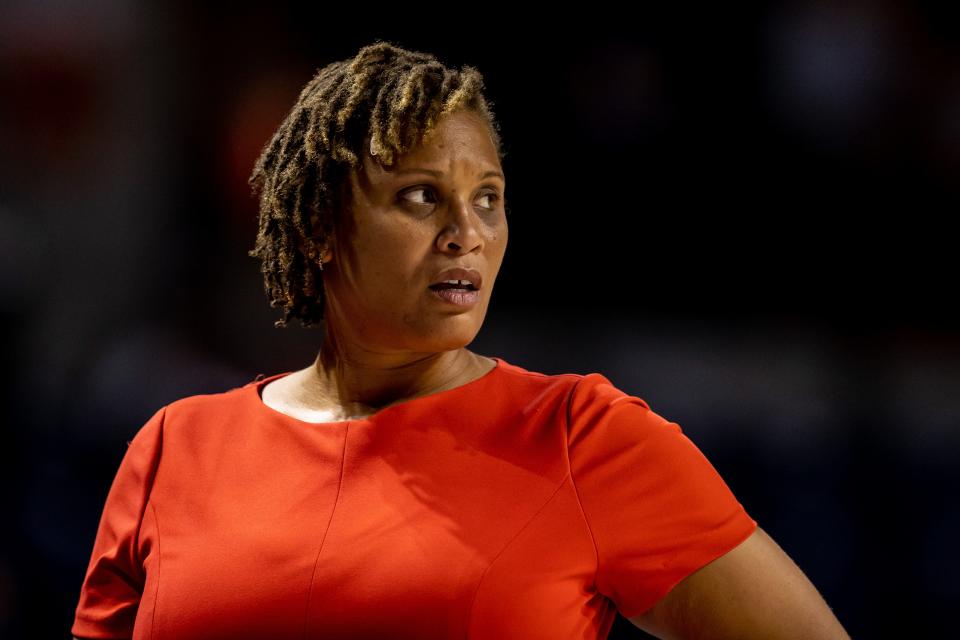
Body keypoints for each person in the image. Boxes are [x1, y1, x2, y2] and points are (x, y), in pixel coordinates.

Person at [72, 40, 851, 640]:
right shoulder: (175, 449)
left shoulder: (583, 437)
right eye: (421, 196)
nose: (466, 235)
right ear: (318, 227)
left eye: (487, 199)